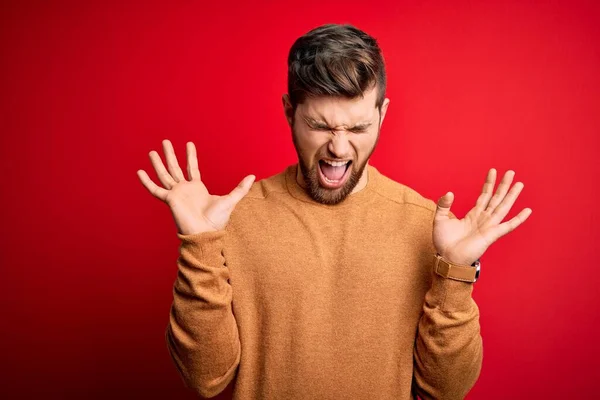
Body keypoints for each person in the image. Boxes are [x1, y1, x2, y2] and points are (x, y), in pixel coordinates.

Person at [137, 23, 532, 400]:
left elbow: (446, 390)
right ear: (290, 112)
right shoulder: (233, 219)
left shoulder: (427, 226)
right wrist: (199, 248)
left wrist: (457, 272)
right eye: (321, 126)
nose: (339, 149)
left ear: (382, 114)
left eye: (358, 129)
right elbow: (205, 378)